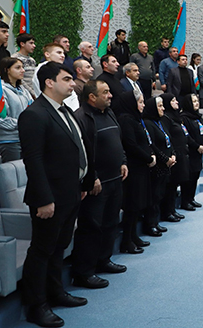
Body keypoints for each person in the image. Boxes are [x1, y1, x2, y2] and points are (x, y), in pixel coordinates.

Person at [18, 63, 93, 327]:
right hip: (49, 197)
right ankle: (36, 306)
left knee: (59, 247)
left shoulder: (65, 111)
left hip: (70, 191)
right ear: (49, 82)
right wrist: (44, 199)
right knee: (42, 251)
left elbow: (76, 148)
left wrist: (82, 184)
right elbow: (33, 161)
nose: (73, 84)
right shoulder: (34, 114)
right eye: (67, 79)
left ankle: (56, 292)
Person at [71, 80, 128, 289]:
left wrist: (123, 161)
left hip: (115, 179)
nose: (110, 95)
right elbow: (81, 152)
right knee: (91, 227)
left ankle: (104, 260)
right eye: (105, 92)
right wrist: (91, 176)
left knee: (110, 223)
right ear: (92, 97)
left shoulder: (109, 112)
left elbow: (118, 140)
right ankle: (84, 272)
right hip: (96, 183)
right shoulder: (81, 117)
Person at [117, 90, 155, 254]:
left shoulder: (136, 119)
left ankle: (134, 236)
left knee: (138, 205)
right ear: (131, 103)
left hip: (141, 167)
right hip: (133, 168)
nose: (143, 105)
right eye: (140, 102)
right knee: (132, 206)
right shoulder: (126, 120)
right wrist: (148, 157)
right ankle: (127, 241)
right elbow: (131, 145)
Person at [142, 96, 175, 236]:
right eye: (160, 106)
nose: (163, 108)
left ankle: (156, 222)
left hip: (166, 165)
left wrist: (172, 154)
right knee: (154, 195)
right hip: (157, 166)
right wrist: (165, 159)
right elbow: (152, 146)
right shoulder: (148, 124)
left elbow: (169, 140)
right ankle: (150, 224)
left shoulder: (161, 122)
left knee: (160, 194)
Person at [0, 57, 33, 162]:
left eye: (22, 67)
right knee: (13, 170)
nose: (22, 70)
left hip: (24, 138)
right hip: (9, 140)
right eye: (18, 68)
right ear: (7, 70)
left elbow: (32, 109)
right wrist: (22, 124)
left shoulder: (23, 90)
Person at [159, 94, 189, 220]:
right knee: (170, 185)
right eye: (173, 100)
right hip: (173, 155)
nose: (176, 102)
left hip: (180, 154)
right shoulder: (166, 118)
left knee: (175, 183)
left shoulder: (176, 117)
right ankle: (167, 212)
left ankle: (172, 210)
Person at [33, 43, 81, 110]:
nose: (62, 55)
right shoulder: (42, 70)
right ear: (47, 54)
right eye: (59, 52)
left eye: (63, 53)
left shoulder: (61, 69)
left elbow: (72, 95)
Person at [180, 94, 203, 209]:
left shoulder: (198, 117)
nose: (197, 103)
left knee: (196, 175)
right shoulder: (184, 118)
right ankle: (185, 201)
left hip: (199, 152)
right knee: (189, 177)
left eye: (197, 101)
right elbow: (186, 136)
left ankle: (191, 198)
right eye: (194, 101)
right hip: (190, 152)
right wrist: (197, 146)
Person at [12, 33, 38, 97]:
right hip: (22, 93)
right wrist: (31, 92)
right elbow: (19, 79)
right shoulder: (15, 58)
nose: (34, 46)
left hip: (34, 91)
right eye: (31, 43)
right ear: (22, 44)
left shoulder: (32, 60)